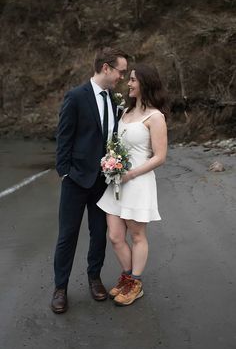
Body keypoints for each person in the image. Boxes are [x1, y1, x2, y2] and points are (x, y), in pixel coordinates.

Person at [51, 47, 128, 314]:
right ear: (106, 68)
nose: (122, 76)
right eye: (120, 70)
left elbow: (113, 137)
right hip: (75, 180)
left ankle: (94, 279)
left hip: (103, 181)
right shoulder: (76, 96)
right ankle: (60, 288)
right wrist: (64, 171)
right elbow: (64, 137)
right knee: (67, 236)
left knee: (99, 234)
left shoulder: (114, 99)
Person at [97, 63, 168, 306]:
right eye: (129, 79)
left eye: (133, 80)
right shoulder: (124, 113)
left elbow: (160, 157)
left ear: (145, 83)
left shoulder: (155, 117)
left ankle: (135, 283)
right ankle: (127, 277)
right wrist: (111, 163)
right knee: (115, 236)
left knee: (137, 235)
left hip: (138, 183)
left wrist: (131, 174)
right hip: (117, 183)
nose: (128, 83)